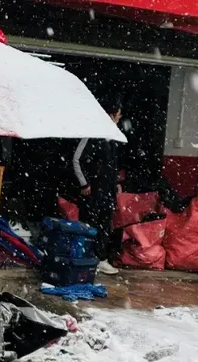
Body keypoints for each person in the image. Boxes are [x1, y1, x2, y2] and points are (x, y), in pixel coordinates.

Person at [73, 96, 123, 275]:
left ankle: (100, 259)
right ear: (111, 115)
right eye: (118, 114)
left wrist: (116, 183)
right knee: (90, 225)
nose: (120, 118)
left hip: (107, 192)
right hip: (93, 191)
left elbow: (112, 165)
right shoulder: (92, 133)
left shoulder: (113, 138)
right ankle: (86, 258)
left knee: (105, 226)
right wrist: (84, 183)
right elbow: (76, 160)